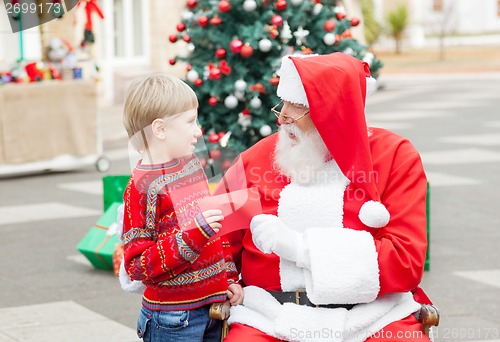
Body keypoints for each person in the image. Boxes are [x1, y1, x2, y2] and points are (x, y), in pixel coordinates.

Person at [214, 53, 432, 341]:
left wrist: (301, 249)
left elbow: (405, 262)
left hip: (373, 314)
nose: (283, 117)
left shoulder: (394, 156)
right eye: (283, 103)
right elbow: (211, 239)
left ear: (336, 113)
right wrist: (227, 282)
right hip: (268, 315)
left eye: (298, 106)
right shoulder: (254, 160)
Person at [121, 74, 244, 342]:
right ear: (161, 129)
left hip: (211, 309)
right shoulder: (141, 188)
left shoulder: (191, 167)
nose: (198, 131)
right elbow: (137, 266)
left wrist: (229, 277)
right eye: (190, 122)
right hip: (172, 319)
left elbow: (214, 228)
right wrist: (193, 233)